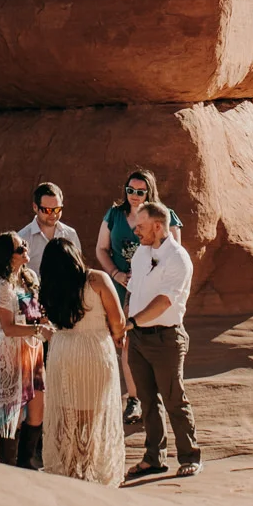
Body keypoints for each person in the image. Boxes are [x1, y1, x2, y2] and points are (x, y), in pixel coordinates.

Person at [94, 168, 183, 425]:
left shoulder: (166, 217)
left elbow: (173, 253)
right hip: (124, 286)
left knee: (158, 340)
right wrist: (115, 273)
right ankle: (134, 399)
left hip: (155, 291)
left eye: (140, 191)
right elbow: (102, 248)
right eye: (130, 190)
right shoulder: (114, 215)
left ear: (149, 191)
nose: (133, 195)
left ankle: (157, 400)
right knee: (129, 342)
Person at [37, 238, 126, 487]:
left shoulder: (49, 287)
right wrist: (117, 336)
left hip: (63, 350)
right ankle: (88, 471)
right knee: (92, 416)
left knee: (67, 415)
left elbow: (49, 322)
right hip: (94, 350)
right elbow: (118, 320)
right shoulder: (96, 279)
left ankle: (68, 470)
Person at [125, 202, 199, 478]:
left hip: (165, 338)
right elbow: (133, 291)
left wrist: (132, 322)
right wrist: (127, 324)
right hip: (137, 338)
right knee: (147, 399)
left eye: (141, 226)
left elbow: (165, 301)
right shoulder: (141, 254)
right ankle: (154, 457)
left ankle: (190, 456)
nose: (136, 231)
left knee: (173, 398)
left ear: (158, 226)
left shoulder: (178, 259)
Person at [0, 231, 50, 467]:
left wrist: (44, 323)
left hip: (33, 352)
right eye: (19, 248)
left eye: (25, 245)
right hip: (11, 353)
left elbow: (37, 315)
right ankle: (5, 463)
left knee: (37, 409)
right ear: (7, 256)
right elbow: (9, 328)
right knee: (8, 413)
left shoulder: (29, 277)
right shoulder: (2, 286)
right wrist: (39, 331)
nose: (25, 249)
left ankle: (27, 463)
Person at [18, 182, 79, 277]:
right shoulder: (22, 238)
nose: (53, 215)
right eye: (47, 210)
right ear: (35, 207)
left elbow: (78, 269)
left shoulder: (70, 234)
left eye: (57, 209)